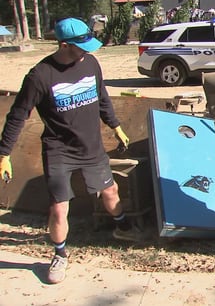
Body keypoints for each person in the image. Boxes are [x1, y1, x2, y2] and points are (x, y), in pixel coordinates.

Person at [0, 17, 141, 284]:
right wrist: (4, 153)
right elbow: (18, 115)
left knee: (111, 192)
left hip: (91, 147)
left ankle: (123, 228)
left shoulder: (90, 63)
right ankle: (60, 255)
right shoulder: (40, 76)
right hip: (59, 151)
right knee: (58, 209)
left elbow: (102, 97)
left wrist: (116, 126)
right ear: (63, 45)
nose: (87, 50)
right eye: (81, 46)